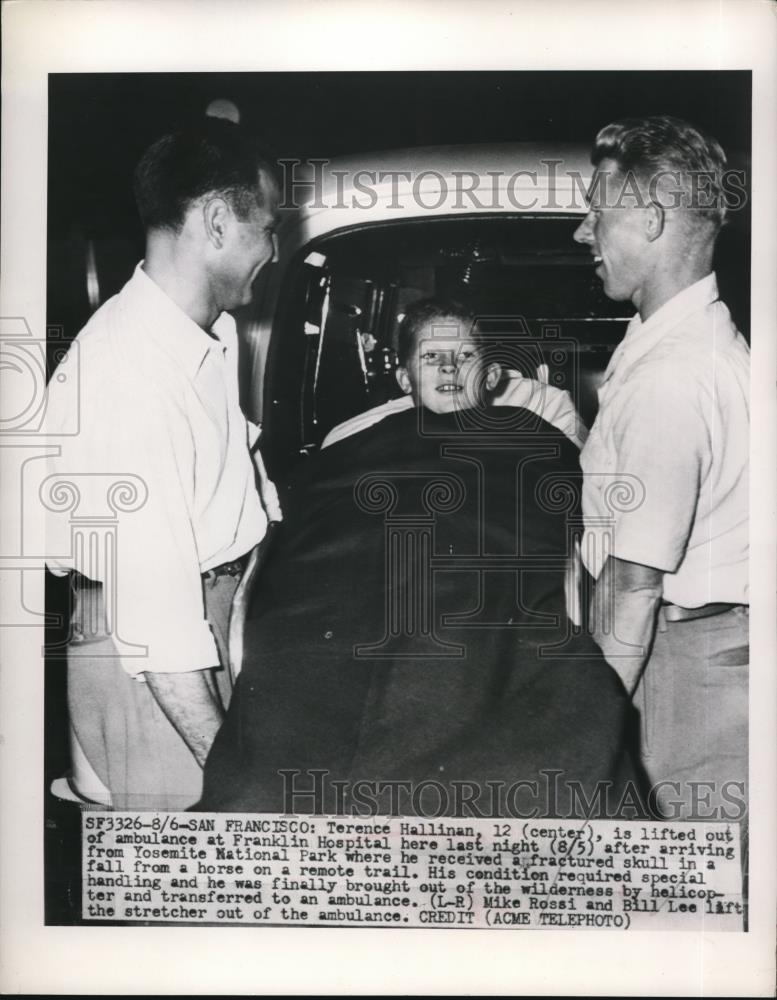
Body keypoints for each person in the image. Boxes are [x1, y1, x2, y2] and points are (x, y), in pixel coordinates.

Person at [199, 298, 644, 817]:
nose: (451, 370)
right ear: (405, 376)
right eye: (433, 358)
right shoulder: (351, 445)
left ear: (494, 374)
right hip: (351, 615)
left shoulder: (534, 437)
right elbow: (306, 537)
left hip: (481, 617)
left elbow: (559, 525)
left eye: (467, 356)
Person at [45, 117, 282, 809]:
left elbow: (229, 472)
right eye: (266, 227)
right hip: (154, 666)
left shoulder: (205, 337)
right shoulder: (131, 377)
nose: (273, 246)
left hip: (197, 627)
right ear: (215, 222)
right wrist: (236, 776)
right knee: (215, 865)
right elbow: (158, 632)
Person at [573, 116, 749, 822]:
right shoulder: (684, 346)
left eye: (595, 214)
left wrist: (580, 739)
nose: (582, 233)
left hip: (680, 674)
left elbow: (632, 589)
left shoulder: (671, 379)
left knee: (677, 901)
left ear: (648, 221)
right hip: (699, 656)